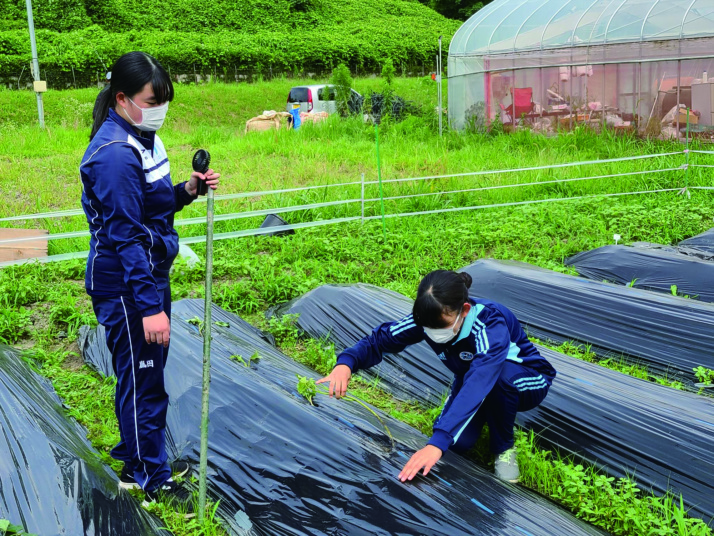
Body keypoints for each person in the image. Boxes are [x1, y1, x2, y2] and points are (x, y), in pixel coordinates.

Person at [80, 51, 220, 513]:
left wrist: (189, 190)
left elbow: (151, 206)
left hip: (147, 274)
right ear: (122, 99)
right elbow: (124, 236)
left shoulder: (142, 137)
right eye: (150, 99)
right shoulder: (116, 156)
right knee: (143, 380)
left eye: (163, 100)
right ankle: (148, 475)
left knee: (145, 375)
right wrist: (149, 307)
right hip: (125, 283)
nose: (158, 108)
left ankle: (140, 455)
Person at [317, 270, 556, 484]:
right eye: (427, 326)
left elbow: (481, 378)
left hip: (525, 378)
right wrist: (346, 364)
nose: (433, 332)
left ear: (464, 310)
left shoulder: (489, 324)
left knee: (497, 382)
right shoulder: (427, 319)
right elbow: (380, 340)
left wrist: (437, 441)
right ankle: (482, 413)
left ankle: (504, 448)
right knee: (456, 445)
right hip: (472, 376)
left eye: (440, 326)